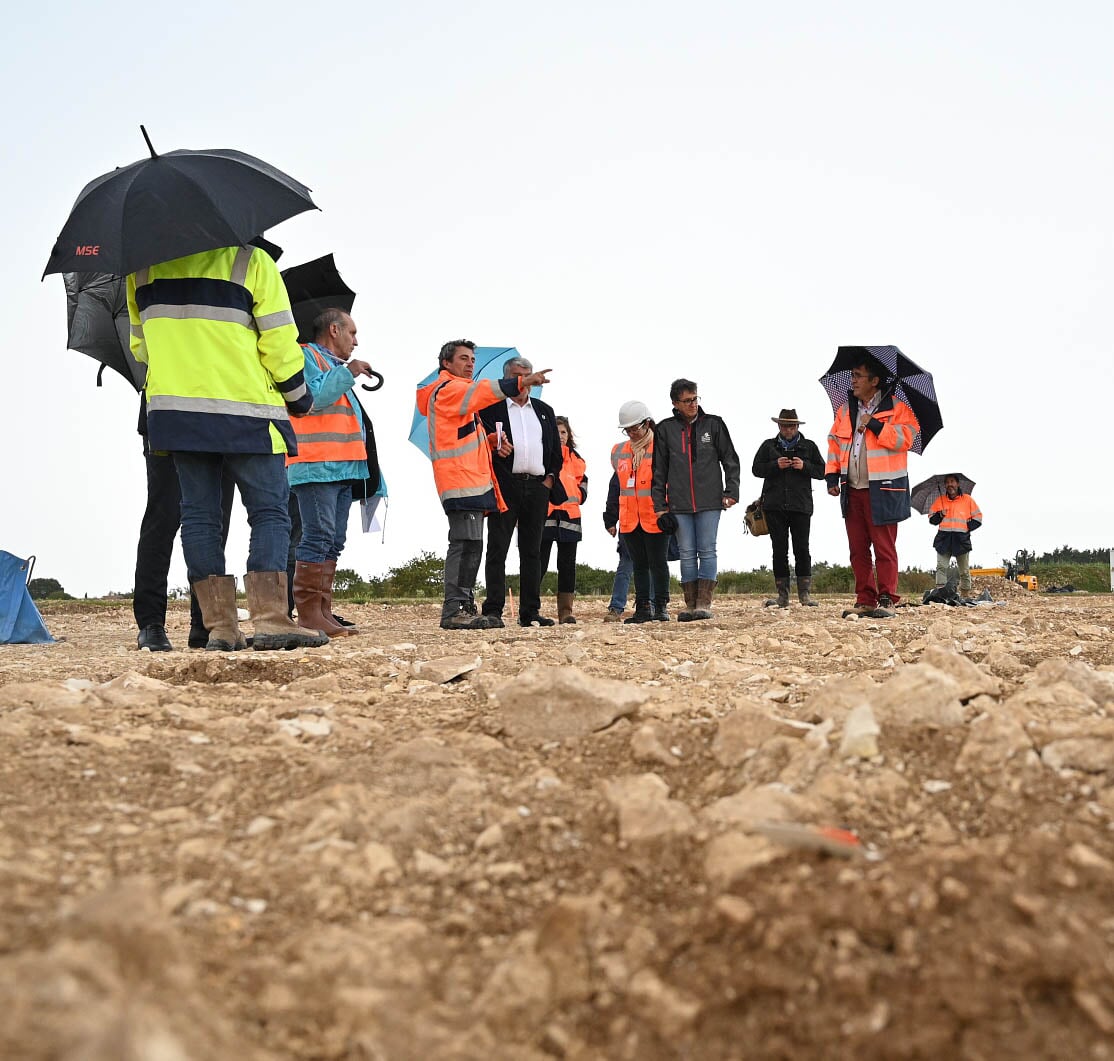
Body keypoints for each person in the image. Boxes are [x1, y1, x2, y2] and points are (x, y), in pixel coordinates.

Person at [127, 243, 328, 651]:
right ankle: (271, 620)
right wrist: (298, 395)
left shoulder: (142, 271)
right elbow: (278, 343)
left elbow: (140, 348)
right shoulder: (250, 261)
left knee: (199, 518)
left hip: (177, 414)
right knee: (270, 512)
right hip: (245, 412)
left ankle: (219, 628)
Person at [415, 341, 551, 630]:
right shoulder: (450, 389)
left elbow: (461, 436)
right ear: (446, 363)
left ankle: (463, 605)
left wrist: (487, 441)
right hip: (460, 481)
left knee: (472, 544)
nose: (470, 364)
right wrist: (522, 381)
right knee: (465, 545)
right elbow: (482, 391)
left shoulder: (456, 393)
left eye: (472, 359)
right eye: (463, 358)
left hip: (471, 483)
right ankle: (455, 608)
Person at [286, 309, 376, 638]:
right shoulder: (304, 356)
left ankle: (322, 611)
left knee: (334, 540)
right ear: (334, 330)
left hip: (340, 468)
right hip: (315, 465)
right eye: (352, 333)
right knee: (318, 536)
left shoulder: (336, 368)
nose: (356, 340)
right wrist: (349, 372)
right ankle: (309, 616)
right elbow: (310, 399)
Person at [133, 394, 236, 651]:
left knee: (216, 522)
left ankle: (207, 621)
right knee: (163, 518)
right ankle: (151, 622)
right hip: (170, 418)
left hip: (222, 418)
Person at [825, 355, 920, 619]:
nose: (852, 380)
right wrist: (832, 475)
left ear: (875, 381)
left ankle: (887, 598)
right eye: (853, 375)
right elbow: (835, 443)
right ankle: (865, 598)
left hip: (885, 489)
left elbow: (906, 439)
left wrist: (877, 425)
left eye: (858, 375)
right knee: (857, 549)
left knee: (884, 548)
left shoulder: (898, 408)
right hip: (852, 488)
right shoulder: (846, 409)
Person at [478, 355, 564, 628]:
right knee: (497, 549)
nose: (525, 380)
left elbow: (555, 451)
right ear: (507, 378)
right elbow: (480, 446)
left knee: (532, 552)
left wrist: (549, 480)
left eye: (529, 375)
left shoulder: (544, 410)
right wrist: (494, 446)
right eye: (518, 375)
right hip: (505, 486)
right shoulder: (490, 410)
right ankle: (493, 609)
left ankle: (530, 612)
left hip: (538, 486)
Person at [651, 379, 740, 621]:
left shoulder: (714, 424)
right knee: (687, 552)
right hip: (678, 503)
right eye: (687, 400)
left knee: (707, 550)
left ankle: (704, 604)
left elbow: (730, 459)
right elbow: (658, 471)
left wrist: (731, 491)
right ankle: (690, 606)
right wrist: (659, 506)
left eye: (695, 398)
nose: (693, 404)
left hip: (710, 500)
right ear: (675, 403)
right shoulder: (665, 429)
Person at [751, 408, 826, 608]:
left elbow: (823, 471)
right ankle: (782, 596)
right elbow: (756, 469)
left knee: (802, 549)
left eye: (791, 426)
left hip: (801, 506)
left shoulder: (808, 447)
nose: (788, 430)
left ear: (797, 426)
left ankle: (805, 596)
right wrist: (775, 465)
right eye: (784, 426)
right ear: (778, 426)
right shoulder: (768, 446)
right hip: (774, 506)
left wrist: (805, 466)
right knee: (779, 550)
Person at [613, 401, 669, 623]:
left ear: (647, 424)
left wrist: (667, 510)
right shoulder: (618, 452)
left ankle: (661, 606)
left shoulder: (662, 448)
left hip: (655, 517)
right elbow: (617, 485)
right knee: (639, 565)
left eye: (635, 428)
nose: (631, 433)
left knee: (658, 563)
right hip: (629, 518)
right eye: (627, 430)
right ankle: (643, 608)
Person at [539, 416, 587, 624]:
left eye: (564, 432)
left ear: (569, 435)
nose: (560, 436)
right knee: (539, 563)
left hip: (570, 518)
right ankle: (530, 608)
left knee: (567, 565)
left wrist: (581, 494)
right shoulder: (542, 456)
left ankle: (566, 612)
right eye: (556, 432)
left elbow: (583, 483)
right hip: (546, 517)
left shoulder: (577, 460)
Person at [928, 475, 983, 598]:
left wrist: (967, 527)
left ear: (958, 484)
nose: (949, 484)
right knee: (941, 567)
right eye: (947, 482)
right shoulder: (939, 501)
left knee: (964, 571)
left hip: (961, 539)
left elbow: (978, 518)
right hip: (943, 539)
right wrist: (940, 515)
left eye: (952, 481)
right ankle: (941, 594)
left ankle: (965, 594)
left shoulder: (968, 500)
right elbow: (932, 520)